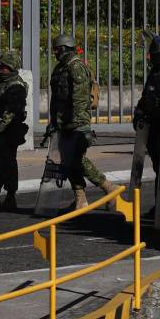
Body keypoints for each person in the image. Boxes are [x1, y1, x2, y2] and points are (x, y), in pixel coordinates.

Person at [49, 34, 116, 208]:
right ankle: (80, 197)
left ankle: (109, 188)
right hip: (63, 123)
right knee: (67, 161)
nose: (55, 53)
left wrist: (80, 127)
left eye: (57, 49)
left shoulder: (76, 68)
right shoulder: (59, 69)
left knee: (78, 160)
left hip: (77, 123)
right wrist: (53, 121)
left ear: (64, 49)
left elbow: (80, 100)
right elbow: (55, 99)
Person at [0, 51, 28, 212]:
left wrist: (0, 126)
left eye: (5, 67)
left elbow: (12, 110)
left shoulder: (16, 85)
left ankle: (10, 196)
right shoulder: (1, 82)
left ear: (12, 68)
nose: (1, 70)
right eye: (0, 66)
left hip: (9, 131)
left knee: (8, 162)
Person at [133, 36, 160, 198]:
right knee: (159, 167)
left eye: (154, 54)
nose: (150, 58)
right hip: (153, 128)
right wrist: (139, 112)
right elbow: (146, 97)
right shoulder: (154, 73)